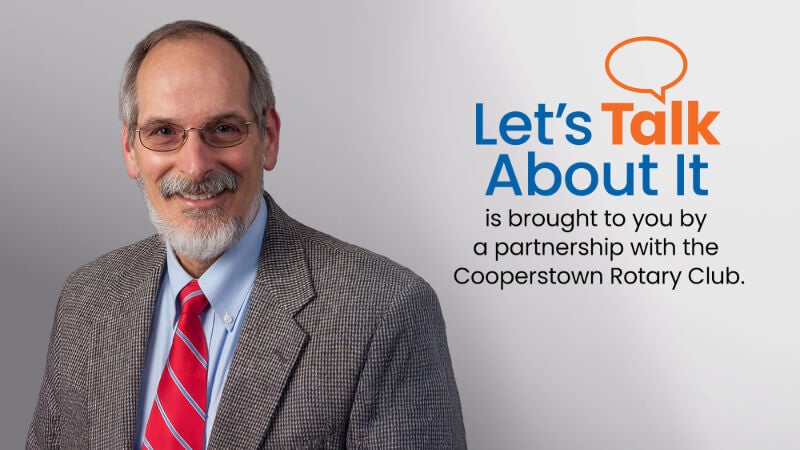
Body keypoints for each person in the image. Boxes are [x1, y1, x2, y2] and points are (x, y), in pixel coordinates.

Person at [27, 20, 466, 449]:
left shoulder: (384, 309)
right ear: (130, 149)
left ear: (269, 138)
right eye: (164, 132)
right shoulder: (87, 300)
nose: (196, 166)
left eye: (223, 129)